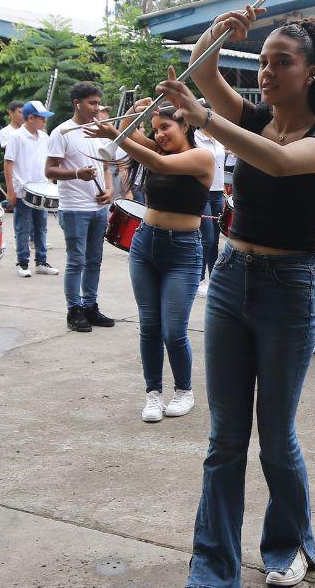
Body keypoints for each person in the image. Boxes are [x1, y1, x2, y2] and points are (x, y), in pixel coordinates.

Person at [154, 8, 315, 588]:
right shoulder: (257, 115)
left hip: (290, 286)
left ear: (311, 72)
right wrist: (219, 30)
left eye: (280, 62)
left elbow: (278, 163)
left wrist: (203, 117)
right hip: (232, 276)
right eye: (262, 61)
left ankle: (289, 545)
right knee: (224, 439)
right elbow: (206, 73)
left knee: (275, 435)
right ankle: (210, 575)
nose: (266, 73)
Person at [88, 103, 213, 421]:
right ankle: (153, 393)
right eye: (155, 129)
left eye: (165, 127)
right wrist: (135, 109)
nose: (158, 134)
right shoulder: (156, 147)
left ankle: (184, 390)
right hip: (145, 245)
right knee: (150, 327)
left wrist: (117, 134)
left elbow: (157, 162)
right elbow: (135, 134)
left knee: (173, 330)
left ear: (184, 125)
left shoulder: (201, 157)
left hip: (183, 252)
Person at [45, 82, 116, 332]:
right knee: (76, 261)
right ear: (78, 104)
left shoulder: (98, 131)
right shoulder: (61, 132)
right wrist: (76, 173)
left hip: (98, 209)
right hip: (74, 208)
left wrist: (109, 190)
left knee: (94, 260)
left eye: (98, 103)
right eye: (92, 103)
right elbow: (49, 170)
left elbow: (106, 166)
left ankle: (90, 306)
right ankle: (74, 310)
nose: (97, 108)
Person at [3, 101, 58, 278]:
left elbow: (48, 160)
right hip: (22, 189)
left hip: (41, 188)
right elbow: (8, 163)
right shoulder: (16, 136)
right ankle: (23, 262)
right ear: (31, 118)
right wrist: (10, 190)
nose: (44, 122)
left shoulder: (44, 136)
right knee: (23, 228)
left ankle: (41, 262)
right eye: (41, 118)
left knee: (41, 227)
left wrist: (50, 184)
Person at [195, 120, 226, 296]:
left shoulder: (218, 139)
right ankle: (198, 279)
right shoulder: (195, 138)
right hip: (202, 192)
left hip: (217, 192)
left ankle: (214, 279)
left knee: (215, 239)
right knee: (206, 237)